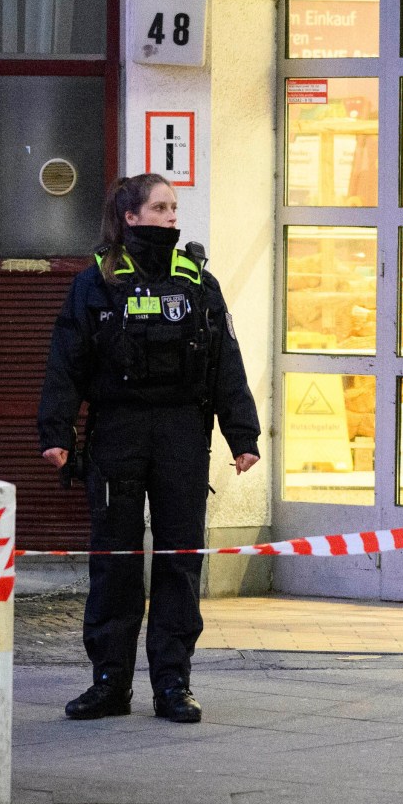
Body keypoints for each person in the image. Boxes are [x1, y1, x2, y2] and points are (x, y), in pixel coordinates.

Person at [36, 175, 261, 724]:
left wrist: (243, 435)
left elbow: (225, 360)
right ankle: (110, 683)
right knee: (114, 559)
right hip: (118, 431)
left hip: (184, 432)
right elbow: (66, 361)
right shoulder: (97, 281)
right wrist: (56, 433)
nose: (170, 216)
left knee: (180, 558)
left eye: (174, 207)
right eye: (159, 207)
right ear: (130, 217)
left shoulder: (197, 281)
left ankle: (173, 683)